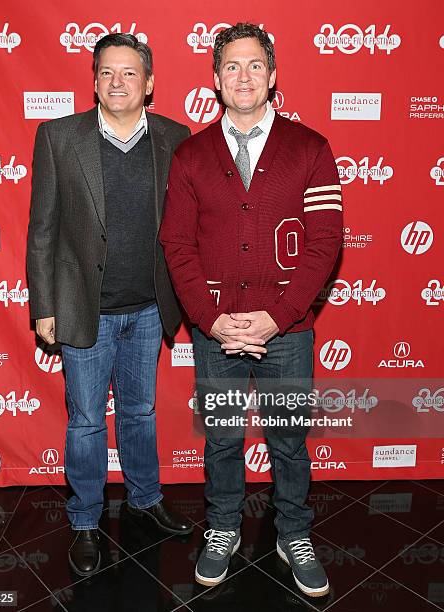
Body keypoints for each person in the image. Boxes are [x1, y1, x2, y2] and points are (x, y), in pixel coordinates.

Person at [159, 23, 343, 597]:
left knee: (288, 438)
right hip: (216, 332)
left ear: (273, 75)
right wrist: (211, 322)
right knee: (221, 439)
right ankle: (221, 528)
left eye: (255, 65)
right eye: (232, 66)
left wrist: (278, 314)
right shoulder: (190, 155)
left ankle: (293, 532)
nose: (244, 76)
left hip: (286, 330)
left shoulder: (310, 148)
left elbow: (325, 242)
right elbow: (177, 243)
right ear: (215, 78)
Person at [27, 33, 193, 577]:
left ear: (149, 83)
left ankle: (145, 500)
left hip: (148, 306)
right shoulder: (58, 137)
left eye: (128, 73)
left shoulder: (175, 136)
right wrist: (44, 304)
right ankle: (84, 520)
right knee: (86, 422)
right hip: (84, 309)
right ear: (94, 79)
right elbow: (43, 229)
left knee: (141, 412)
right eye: (106, 73)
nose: (117, 82)